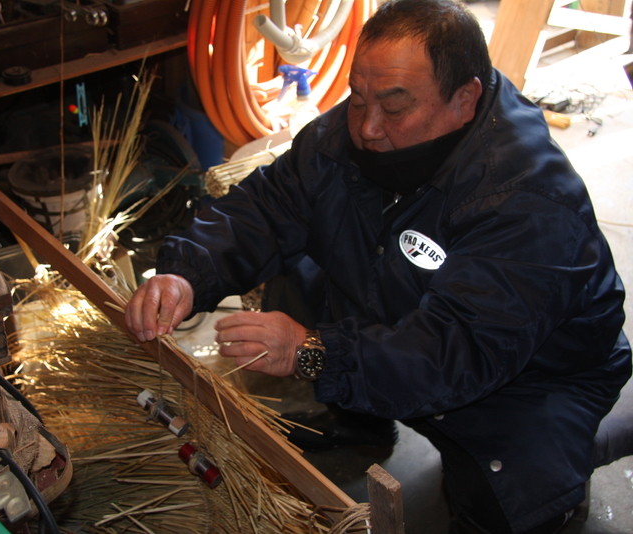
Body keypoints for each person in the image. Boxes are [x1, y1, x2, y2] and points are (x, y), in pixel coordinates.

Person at [125, 0, 631, 532]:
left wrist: (311, 351)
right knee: (303, 274)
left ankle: (554, 489)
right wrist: (187, 272)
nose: (367, 127)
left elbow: (455, 354)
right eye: (357, 97)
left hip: (529, 376)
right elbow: (268, 205)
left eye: (393, 107)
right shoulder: (355, 129)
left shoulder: (527, 200)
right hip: (416, 312)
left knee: (505, 490)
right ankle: (358, 422)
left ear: (464, 99)